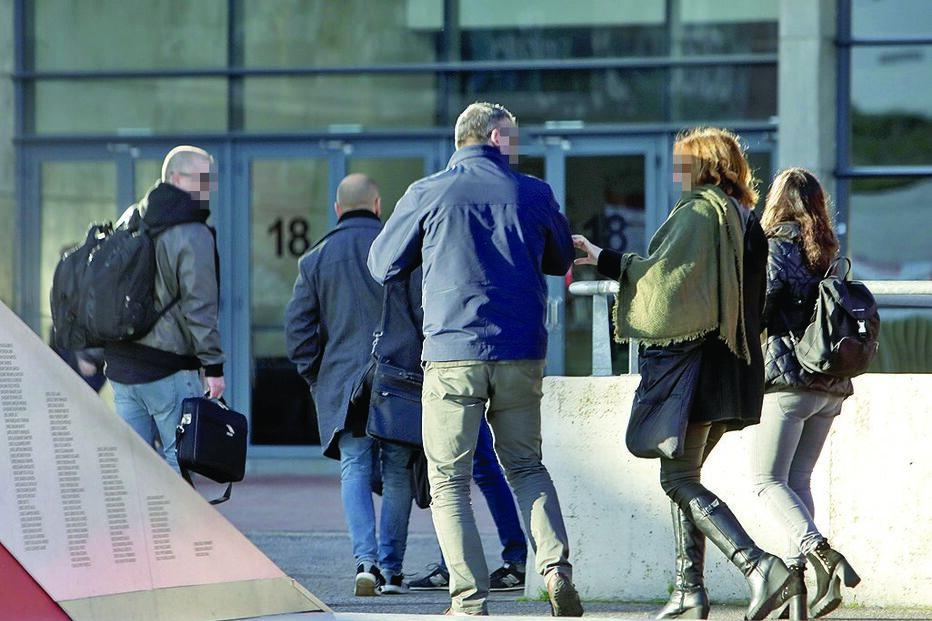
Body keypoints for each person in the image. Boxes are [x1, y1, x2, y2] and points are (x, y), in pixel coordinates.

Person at [368, 101, 583, 617]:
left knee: (449, 481)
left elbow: (382, 263)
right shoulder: (535, 193)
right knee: (526, 466)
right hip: (520, 352)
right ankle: (554, 570)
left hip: (452, 353)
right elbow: (560, 259)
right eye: (511, 137)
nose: (516, 147)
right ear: (489, 136)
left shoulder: (429, 191)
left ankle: (468, 602)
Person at [573, 127, 797, 620]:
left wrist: (605, 260)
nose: (676, 172)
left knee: (677, 479)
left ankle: (761, 568)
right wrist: (602, 256)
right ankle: (687, 591)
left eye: (682, 163)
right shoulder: (743, 216)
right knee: (684, 476)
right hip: (733, 367)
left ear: (703, 166)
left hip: (699, 370)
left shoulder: (701, 211)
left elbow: (664, 279)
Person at [285, 173, 415, 597]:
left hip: (344, 383)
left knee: (354, 468)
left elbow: (297, 332)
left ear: (338, 210)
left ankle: (366, 563)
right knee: (397, 471)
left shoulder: (316, 258)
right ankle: (393, 571)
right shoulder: (403, 248)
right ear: (378, 206)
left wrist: (318, 376)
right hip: (398, 377)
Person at [753, 168, 861, 619]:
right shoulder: (829, 252)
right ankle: (799, 588)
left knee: (766, 481)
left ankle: (821, 555)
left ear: (777, 202)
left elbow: (761, 307)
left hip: (789, 383)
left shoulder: (776, 246)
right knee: (798, 482)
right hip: (830, 386)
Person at [103, 145, 224, 473]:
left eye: (210, 179)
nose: (208, 187)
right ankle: (174, 527)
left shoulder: (132, 219)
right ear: (174, 177)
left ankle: (141, 526)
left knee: (135, 467)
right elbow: (199, 305)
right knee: (180, 459)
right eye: (202, 179)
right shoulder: (193, 232)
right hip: (167, 368)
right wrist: (213, 366)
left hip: (122, 367)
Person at [408, 416, 529, 592]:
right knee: (467, 471)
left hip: (456, 395)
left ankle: (515, 562)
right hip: (459, 395)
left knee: (467, 471)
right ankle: (515, 561)